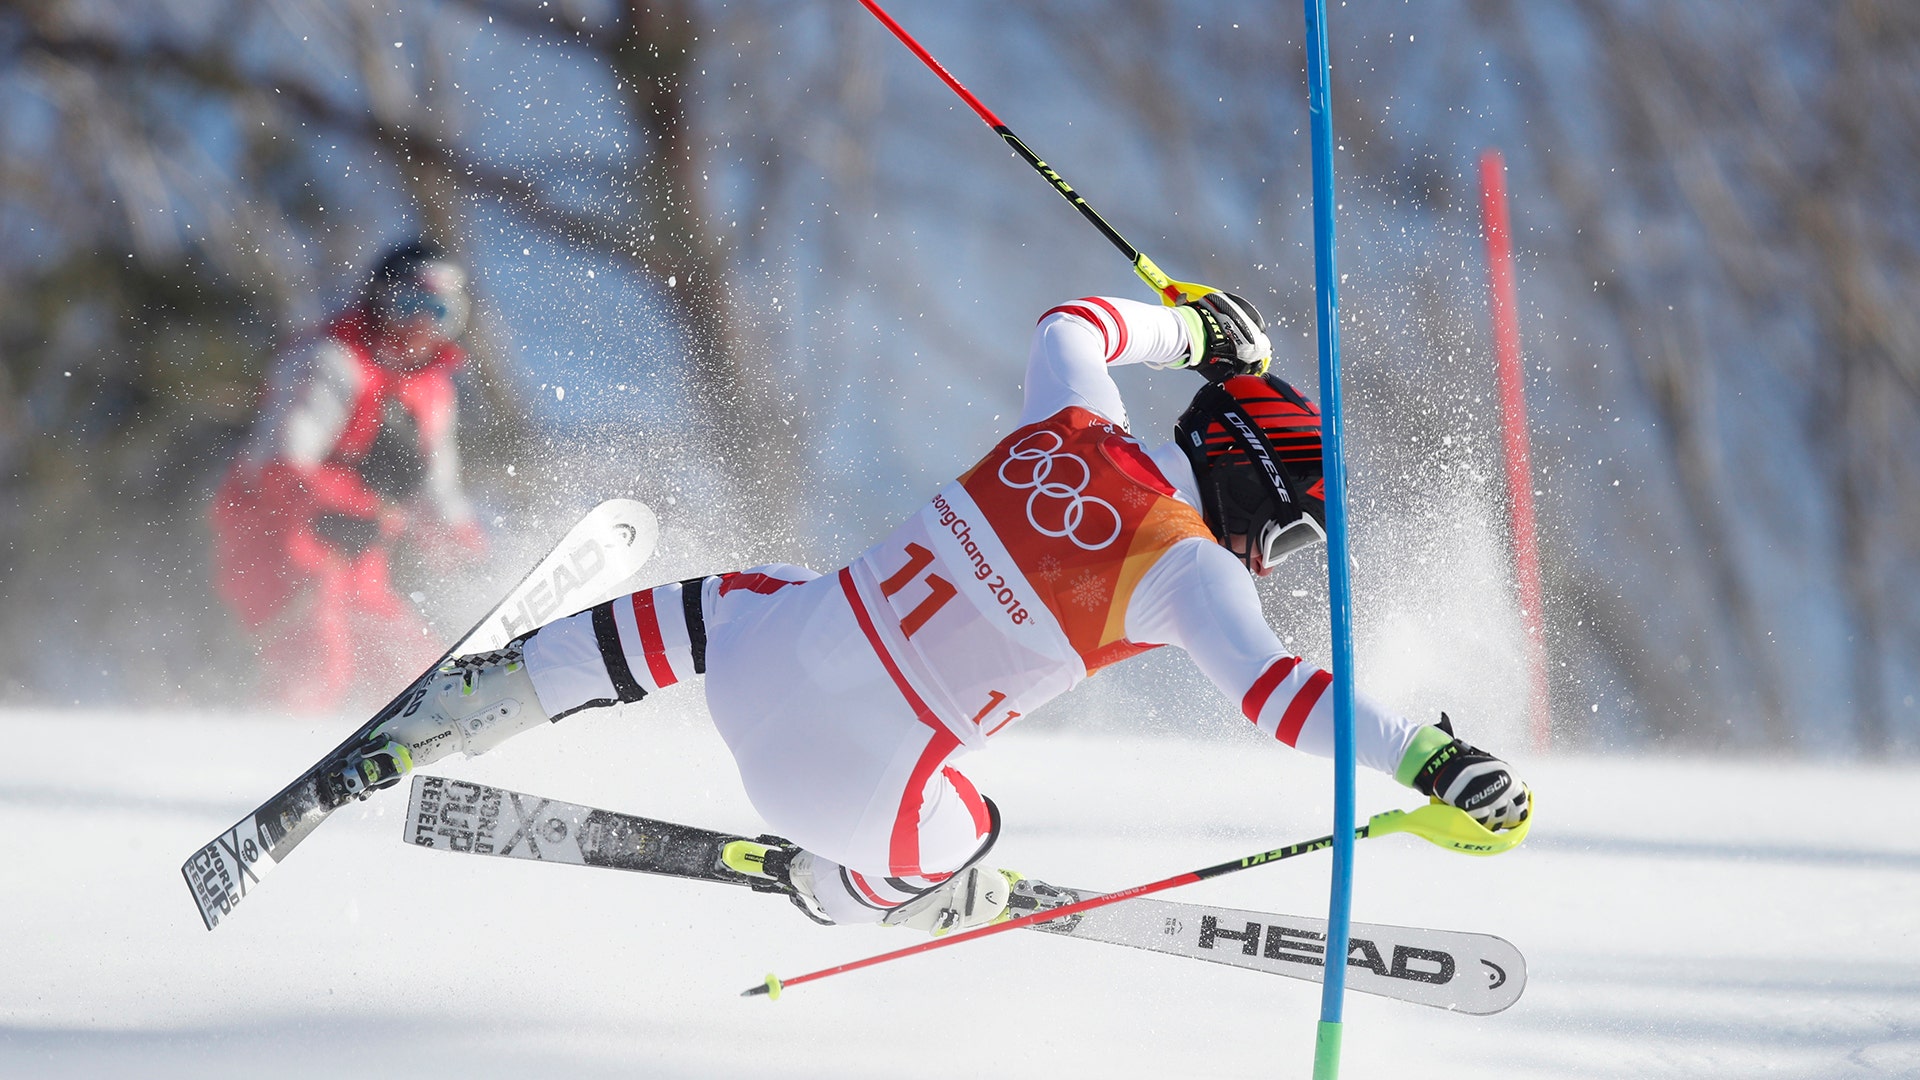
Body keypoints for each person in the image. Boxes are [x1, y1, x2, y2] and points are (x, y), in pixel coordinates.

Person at [344, 290, 1530, 932]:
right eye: (1286, 533)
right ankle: (844, 893)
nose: (1272, 561)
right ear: (1248, 485)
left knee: (738, 600)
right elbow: (1284, 701)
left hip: (751, 677)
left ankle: (511, 688)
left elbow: (1069, 323)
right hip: (851, 804)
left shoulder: (1076, 425)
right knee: (971, 833)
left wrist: (1201, 333)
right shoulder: (1190, 572)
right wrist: (1431, 759)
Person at [212, 239, 484, 712]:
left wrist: (468, 551)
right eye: (410, 304)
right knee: (317, 659)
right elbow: (278, 462)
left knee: (411, 669)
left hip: (356, 553)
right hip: (276, 540)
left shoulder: (433, 390)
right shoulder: (330, 360)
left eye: (440, 312)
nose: (422, 324)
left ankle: (416, 753)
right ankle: (261, 760)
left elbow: (438, 492)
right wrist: (350, 506)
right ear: (380, 300)